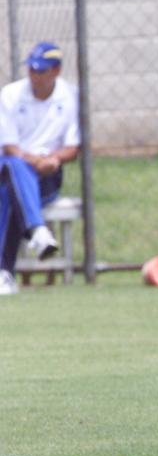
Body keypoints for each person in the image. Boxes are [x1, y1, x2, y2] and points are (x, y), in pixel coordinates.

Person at [0, 41, 76, 295]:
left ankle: (4, 273)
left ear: (56, 70)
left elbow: (73, 147)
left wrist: (53, 160)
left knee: (10, 195)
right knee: (13, 167)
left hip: (46, 176)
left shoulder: (70, 96)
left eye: (40, 70)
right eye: (31, 69)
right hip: (12, 167)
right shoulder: (11, 95)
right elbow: (9, 147)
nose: (34, 76)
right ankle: (38, 231)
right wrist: (35, 160)